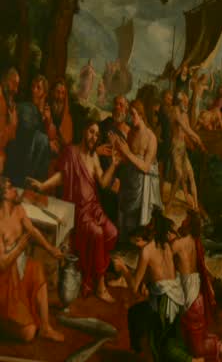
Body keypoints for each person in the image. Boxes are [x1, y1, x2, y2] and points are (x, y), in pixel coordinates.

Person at [27, 119, 122, 302]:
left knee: (112, 232)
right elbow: (62, 177)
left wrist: (114, 165)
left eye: (96, 134)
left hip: (94, 207)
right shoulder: (71, 152)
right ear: (84, 131)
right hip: (79, 211)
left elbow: (102, 182)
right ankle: (100, 284)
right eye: (91, 132)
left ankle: (92, 274)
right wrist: (43, 185)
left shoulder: (94, 157)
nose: (94, 137)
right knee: (96, 233)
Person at [128, 210, 202, 362]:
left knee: (162, 343)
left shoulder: (147, 251)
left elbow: (134, 286)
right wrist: (147, 284)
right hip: (176, 299)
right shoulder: (167, 246)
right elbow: (158, 274)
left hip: (164, 302)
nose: (147, 225)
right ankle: (141, 350)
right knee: (168, 338)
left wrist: (123, 269)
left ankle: (193, 361)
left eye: (150, 223)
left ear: (154, 228)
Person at [0, 176, 64, 343]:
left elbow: (33, 231)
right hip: (4, 281)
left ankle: (45, 327)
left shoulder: (19, 209)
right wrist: (20, 248)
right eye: (11, 188)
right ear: (3, 195)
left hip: (19, 270)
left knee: (36, 267)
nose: (16, 190)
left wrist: (50, 249)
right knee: (28, 334)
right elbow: (2, 264)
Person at [173, 214, 222, 360]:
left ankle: (219, 346)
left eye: (185, 220)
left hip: (189, 294)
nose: (182, 221)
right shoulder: (196, 242)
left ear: (188, 225)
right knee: (191, 341)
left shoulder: (178, 244)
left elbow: (164, 258)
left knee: (195, 348)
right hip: (196, 291)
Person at [114, 100, 160, 243]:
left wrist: (126, 154)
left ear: (141, 115)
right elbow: (128, 157)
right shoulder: (131, 133)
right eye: (129, 114)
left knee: (139, 217)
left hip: (143, 181)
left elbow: (146, 167)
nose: (130, 117)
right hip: (130, 179)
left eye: (133, 114)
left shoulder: (151, 137)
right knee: (124, 210)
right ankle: (125, 240)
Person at [6, 75, 53, 187]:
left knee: (43, 140)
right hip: (20, 153)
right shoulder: (24, 107)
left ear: (45, 94)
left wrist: (47, 120)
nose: (34, 90)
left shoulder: (45, 114)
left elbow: (49, 138)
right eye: (33, 86)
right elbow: (24, 131)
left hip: (32, 156)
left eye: (38, 88)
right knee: (41, 139)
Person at [0, 69, 18, 176]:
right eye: (14, 84)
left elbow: (12, 136)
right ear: (6, 81)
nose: (16, 90)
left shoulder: (9, 103)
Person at [48, 79, 73, 153]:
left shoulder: (68, 118)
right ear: (52, 92)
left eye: (62, 93)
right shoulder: (45, 108)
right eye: (57, 92)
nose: (60, 97)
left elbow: (67, 141)